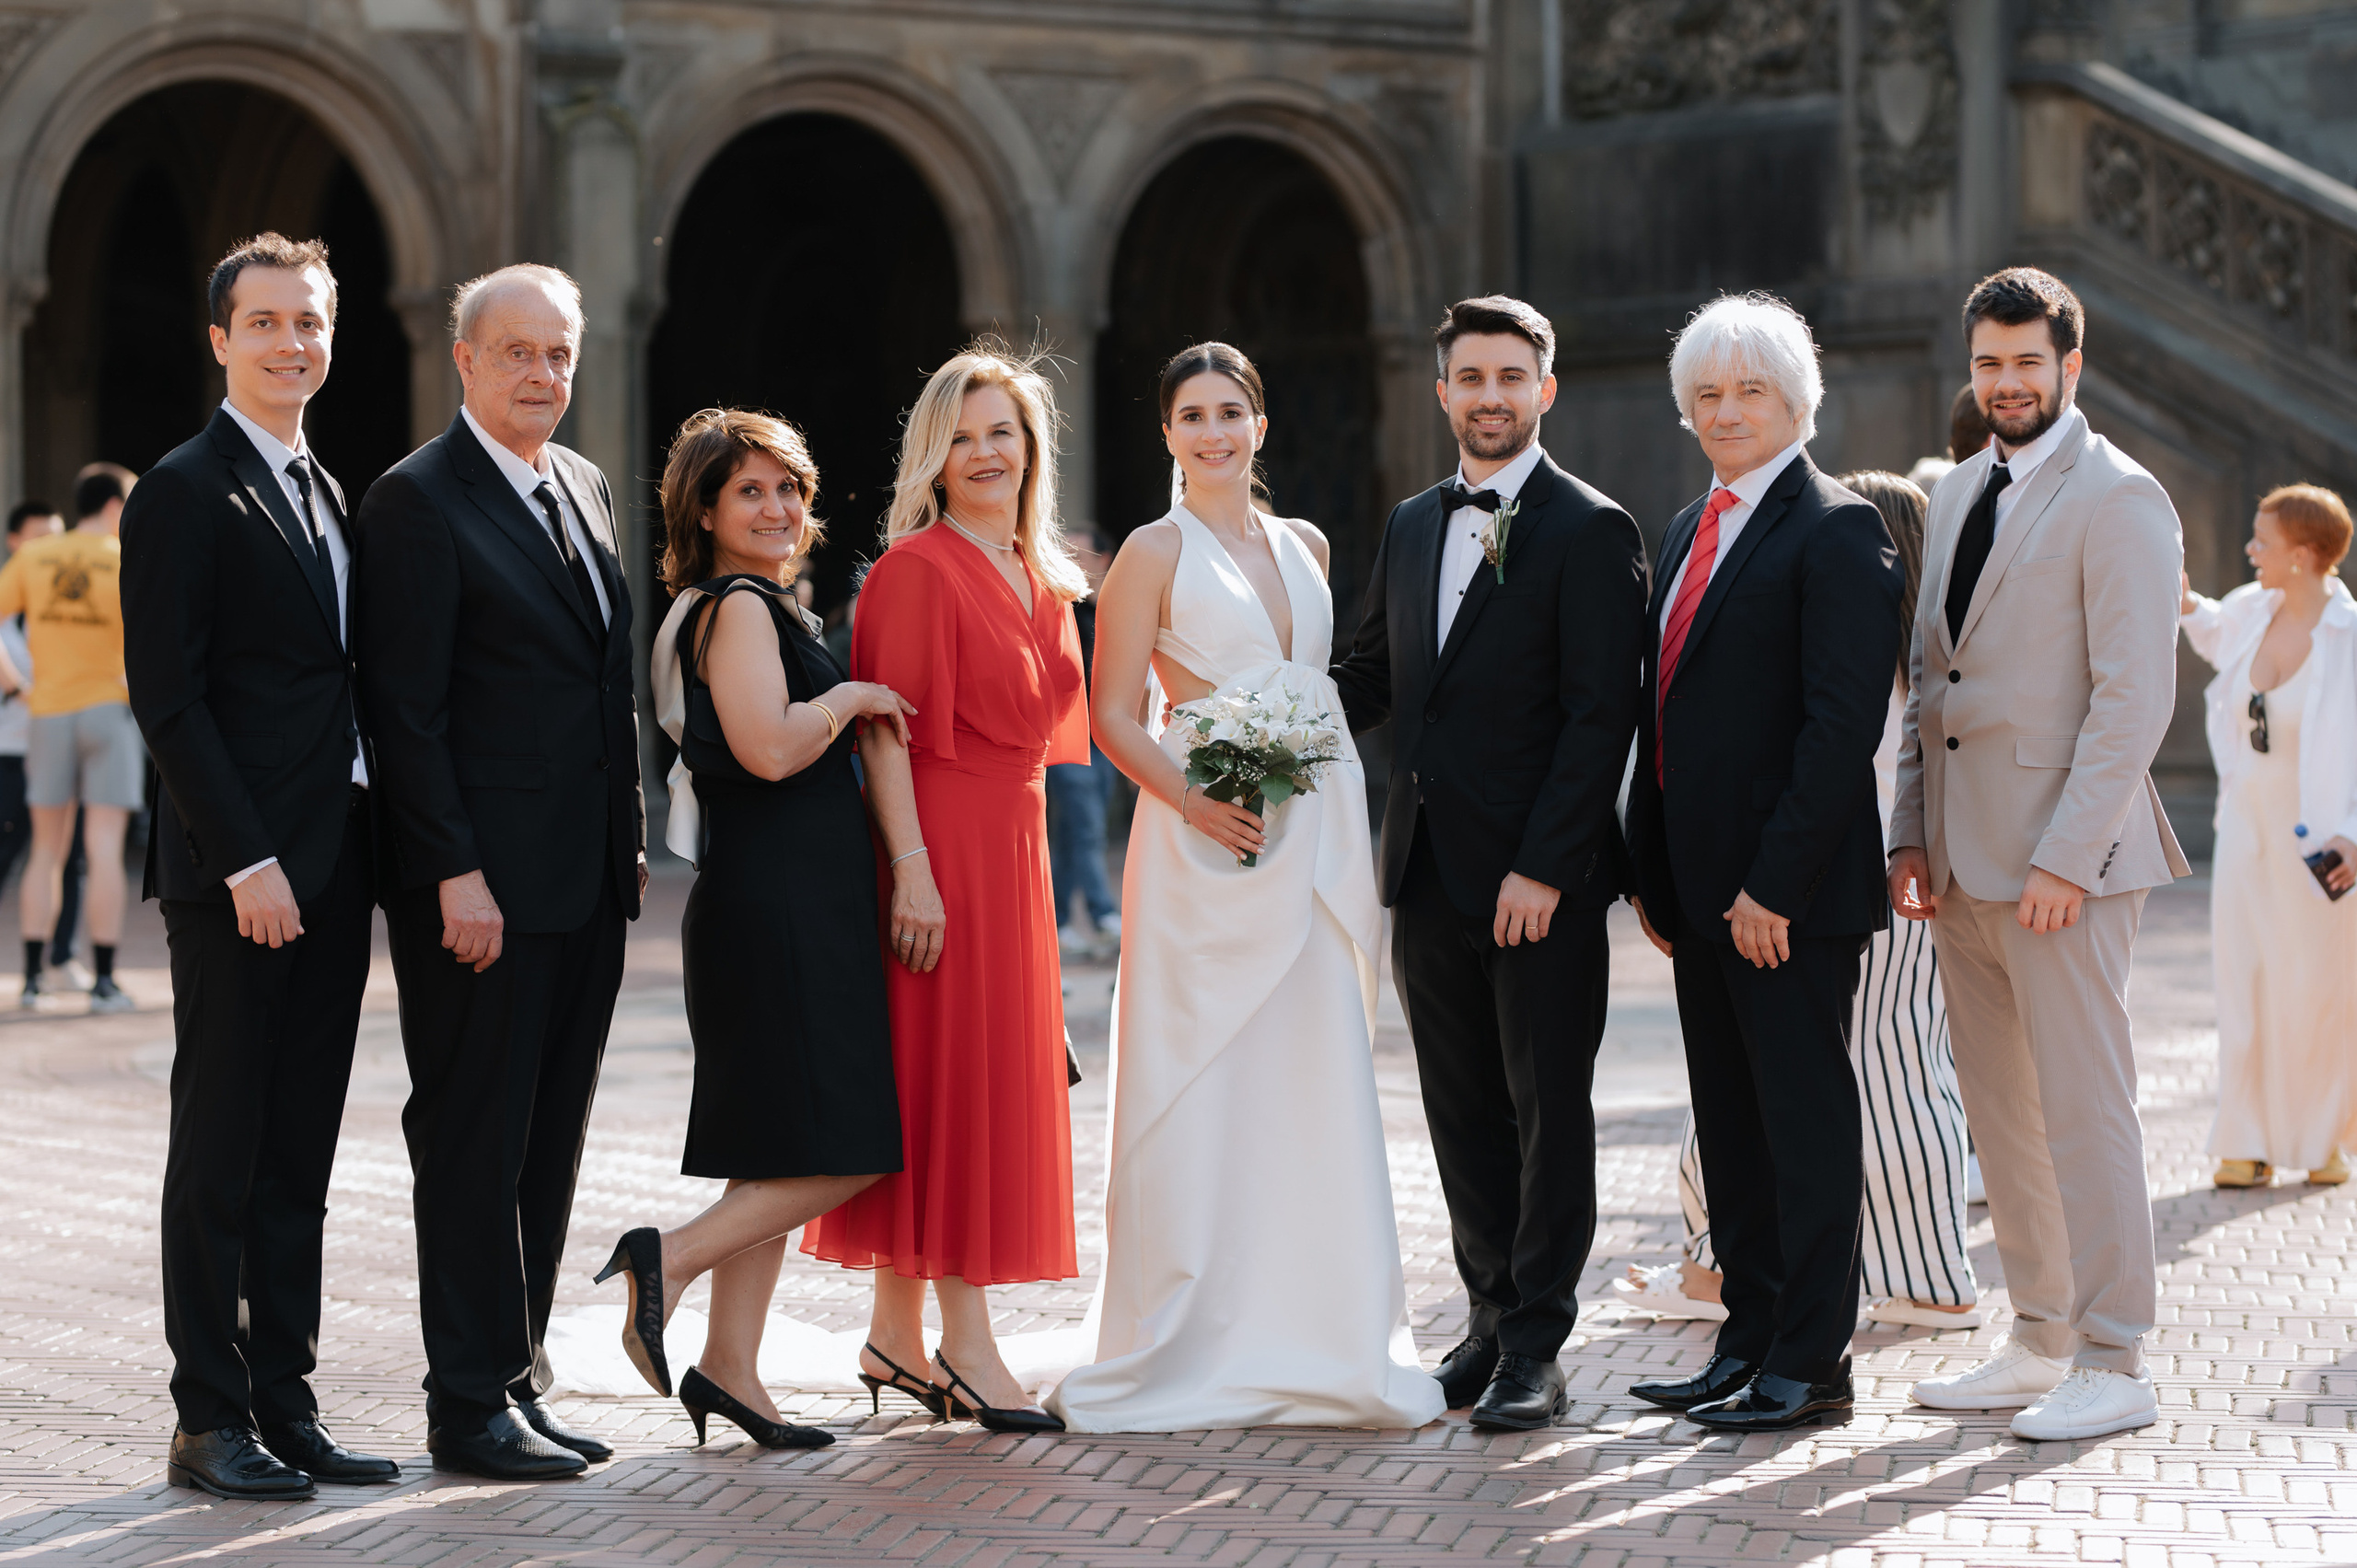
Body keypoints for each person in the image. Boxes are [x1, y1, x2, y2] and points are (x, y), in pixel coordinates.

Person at [1045, 343, 1443, 1433]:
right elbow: (1113, 711)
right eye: (1190, 415)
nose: (1212, 431)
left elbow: (1323, 687)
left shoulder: (1305, 543)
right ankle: (1190, 1326)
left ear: (1259, 424)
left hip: (1311, 834)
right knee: (1204, 1074)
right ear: (1166, 433)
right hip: (1201, 842)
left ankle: (1319, 1326)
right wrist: (1194, 800)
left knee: (1309, 1071)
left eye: (1230, 411)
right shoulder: (1148, 550)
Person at [1329, 296, 1648, 1431]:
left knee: (1545, 1108)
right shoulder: (1415, 521)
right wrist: (1262, 721)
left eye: (1512, 376)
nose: (1491, 396)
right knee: (1460, 1110)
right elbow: (1373, 672)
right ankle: (1483, 1314)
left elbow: (1599, 713)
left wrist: (1545, 865)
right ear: (1443, 392)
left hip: (1536, 884)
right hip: (1421, 872)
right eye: (1471, 378)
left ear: (1544, 390)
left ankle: (1537, 1344)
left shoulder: (1591, 528)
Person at [356, 263, 646, 1480]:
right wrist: (451, 870)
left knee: (549, 1132)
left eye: (559, 354)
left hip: (585, 877)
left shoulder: (579, 483)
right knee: (474, 1132)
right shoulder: (415, 500)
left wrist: (628, 826)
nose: (542, 375)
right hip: (479, 889)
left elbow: (598, 682)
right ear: (465, 358)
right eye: (517, 352)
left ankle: (516, 1374)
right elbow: (404, 710)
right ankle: (463, 1399)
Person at [118, 234, 395, 1500]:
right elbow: (168, 700)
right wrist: (247, 860)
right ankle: (205, 1415)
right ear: (220, 337)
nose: (295, 342)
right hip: (242, 877)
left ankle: (286, 1402)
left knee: (300, 1154)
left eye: (313, 321)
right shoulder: (185, 485)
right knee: (222, 1146)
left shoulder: (325, 487)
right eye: (269, 321)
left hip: (334, 864)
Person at [1890, 267, 2188, 1443]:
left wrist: (2066, 855)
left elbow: (2133, 695)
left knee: (2084, 1107)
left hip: (2069, 864)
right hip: (1960, 861)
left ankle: (2114, 1356)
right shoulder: (1960, 487)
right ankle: (2038, 1336)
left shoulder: (2122, 497)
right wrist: (1909, 831)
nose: (2006, 382)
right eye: (1988, 363)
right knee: (2002, 1112)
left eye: (2027, 362)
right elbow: (1931, 679)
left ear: (2072, 366)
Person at [595, 409, 913, 1451]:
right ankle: (668, 1257)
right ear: (705, 508)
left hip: (778, 897)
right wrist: (856, 692)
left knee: (774, 1144)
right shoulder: (735, 606)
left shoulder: (749, 604)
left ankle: (732, 1368)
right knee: (852, 1146)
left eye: (789, 487)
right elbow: (771, 750)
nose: (778, 508)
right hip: (777, 905)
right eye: (751, 491)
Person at [796, 343, 1088, 1434]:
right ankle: (968, 1345)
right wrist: (913, 872)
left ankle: (893, 1333)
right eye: (959, 436)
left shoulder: (1046, 576)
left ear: (1029, 446)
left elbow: (1051, 752)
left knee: (948, 1084)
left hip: (1015, 854)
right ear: (932, 453)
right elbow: (883, 736)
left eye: (999, 432)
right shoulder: (914, 569)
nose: (982, 453)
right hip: (938, 851)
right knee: (953, 1087)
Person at [1620, 296, 1899, 1435]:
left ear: (1797, 402)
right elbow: (1668, 707)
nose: (1725, 410)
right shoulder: (1693, 521)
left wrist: (1772, 884)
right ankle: (1744, 1339)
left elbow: (1840, 729)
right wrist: (1652, 870)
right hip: (1697, 897)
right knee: (1729, 1128)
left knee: (1803, 1127)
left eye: (1748, 391)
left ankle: (1812, 1363)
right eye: (1707, 394)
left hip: (1785, 897)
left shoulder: (1837, 528)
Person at [1618, 470, 1979, 1334]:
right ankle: (1739, 1272)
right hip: (1874, 887)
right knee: (1878, 1083)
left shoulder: (1874, 664)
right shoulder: (1907, 662)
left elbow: (1845, 768)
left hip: (1853, 891)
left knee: (1870, 1089)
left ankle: (1914, 1282)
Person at [2178, 483, 2357, 1189]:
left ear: (2305, 554)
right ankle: (2245, 1140)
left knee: (2316, 990)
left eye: (2264, 541)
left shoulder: (2350, 637)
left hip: (2322, 845)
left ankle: (2320, 1141)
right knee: (2244, 979)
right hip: (2245, 829)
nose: (2251, 549)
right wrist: (2186, 602)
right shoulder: (2255, 608)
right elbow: (2213, 625)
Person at [0, 464, 140, 1012]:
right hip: (108, 711)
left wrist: (18, 686)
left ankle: (33, 979)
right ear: (111, 506)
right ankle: (104, 982)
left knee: (46, 848)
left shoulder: (34, 556)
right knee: (103, 848)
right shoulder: (123, 558)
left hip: (48, 712)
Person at [1048, 525, 1120, 956]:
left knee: (1076, 830)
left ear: (1102, 561)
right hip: (1064, 731)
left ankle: (1057, 923)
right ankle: (1102, 911)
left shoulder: (1113, 608)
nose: (1071, 563)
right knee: (1087, 821)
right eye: (1065, 555)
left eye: (1080, 556)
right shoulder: (1058, 606)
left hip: (1107, 733)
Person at [0, 503, 62, 892]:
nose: (49, 550)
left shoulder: (70, 600)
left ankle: (62, 953)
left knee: (67, 855)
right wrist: (17, 688)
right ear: (14, 542)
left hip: (60, 743)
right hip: (9, 746)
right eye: (39, 539)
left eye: (56, 540)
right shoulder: (6, 600)